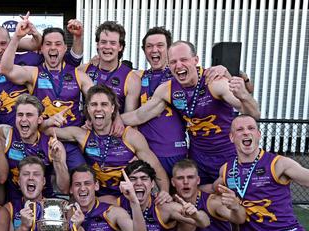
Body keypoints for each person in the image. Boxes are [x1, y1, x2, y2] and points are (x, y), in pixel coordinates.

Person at [121, 40, 260, 191]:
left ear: (196, 60)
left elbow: (253, 114)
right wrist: (109, 120)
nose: (178, 65)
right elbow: (139, 116)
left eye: (184, 59)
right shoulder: (168, 89)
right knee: (195, 201)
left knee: (230, 201)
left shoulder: (214, 82)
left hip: (227, 155)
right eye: (173, 62)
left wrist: (244, 96)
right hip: (198, 158)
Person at [0, 19, 94, 169]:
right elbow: (5, 69)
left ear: (64, 48)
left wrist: (91, 120)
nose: (53, 48)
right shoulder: (34, 72)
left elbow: (97, 100)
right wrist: (16, 38)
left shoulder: (79, 75)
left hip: (70, 143)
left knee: (81, 179)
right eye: (48, 44)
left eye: (57, 44)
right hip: (40, 141)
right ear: (41, 48)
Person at [47, 85, 168, 200]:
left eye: (104, 104)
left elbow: (156, 166)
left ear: (112, 108)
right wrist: (50, 121)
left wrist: (164, 192)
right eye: (94, 105)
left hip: (127, 198)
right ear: (88, 109)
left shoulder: (130, 136)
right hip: (95, 200)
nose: (98, 109)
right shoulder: (81, 134)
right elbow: (47, 131)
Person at [134, 27, 187, 176]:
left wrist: (223, 70)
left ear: (169, 49)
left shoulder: (181, 76)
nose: (154, 50)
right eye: (149, 46)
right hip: (147, 154)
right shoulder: (138, 77)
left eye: (160, 45)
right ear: (144, 51)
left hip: (175, 153)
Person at [5, 94, 69, 202]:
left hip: (44, 204)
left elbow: (64, 188)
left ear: (39, 120)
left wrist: (58, 161)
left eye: (29, 115)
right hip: (13, 204)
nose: (23, 119)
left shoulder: (52, 145)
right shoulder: (6, 134)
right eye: (20, 115)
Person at [80, 21, 138, 113]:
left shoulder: (131, 79)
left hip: (113, 126)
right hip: (85, 126)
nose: (107, 47)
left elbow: (130, 117)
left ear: (120, 47)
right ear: (97, 45)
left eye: (112, 43)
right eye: (103, 42)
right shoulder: (83, 70)